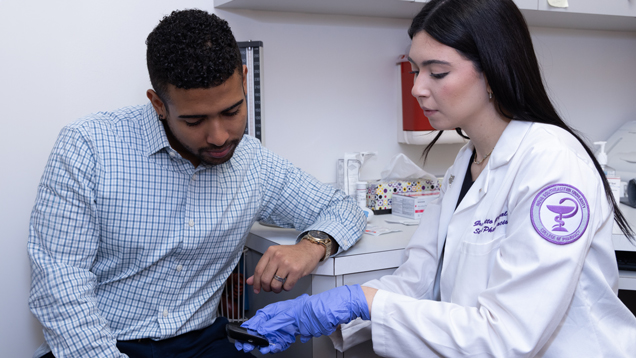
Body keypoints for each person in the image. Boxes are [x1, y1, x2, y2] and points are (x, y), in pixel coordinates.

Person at [236, 0, 636, 356]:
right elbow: (418, 283)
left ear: (494, 71)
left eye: (437, 72)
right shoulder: (464, 165)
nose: (417, 89)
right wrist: (333, 307)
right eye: (415, 70)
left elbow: (509, 337)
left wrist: (364, 302)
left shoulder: (552, 163)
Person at [27, 9, 365, 358]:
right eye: (194, 120)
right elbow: (59, 284)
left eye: (232, 112)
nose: (219, 137)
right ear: (158, 103)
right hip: (103, 344)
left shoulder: (255, 163)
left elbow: (344, 208)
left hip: (202, 344)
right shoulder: (88, 147)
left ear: (244, 81)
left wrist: (313, 245)